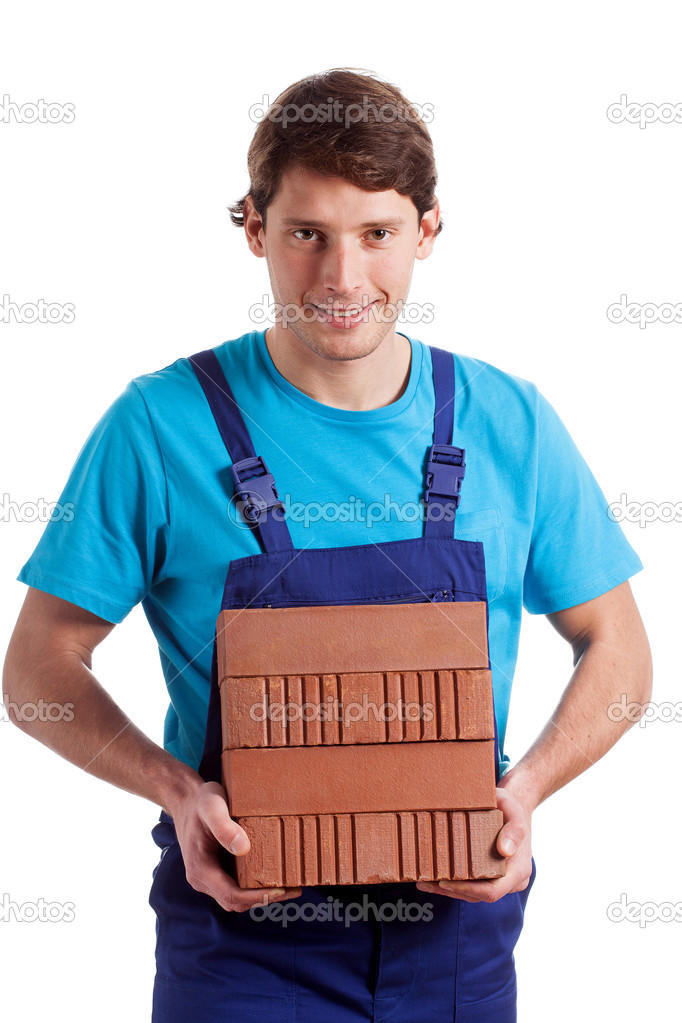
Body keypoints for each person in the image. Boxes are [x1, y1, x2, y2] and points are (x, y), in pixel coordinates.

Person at [3, 68, 652, 1022]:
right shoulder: (155, 425)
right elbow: (36, 669)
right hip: (241, 943)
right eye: (307, 234)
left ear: (427, 232)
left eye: (377, 234)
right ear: (255, 230)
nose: (343, 278)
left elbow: (621, 647)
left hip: (461, 941)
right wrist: (179, 794)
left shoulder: (510, 422)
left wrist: (529, 791)